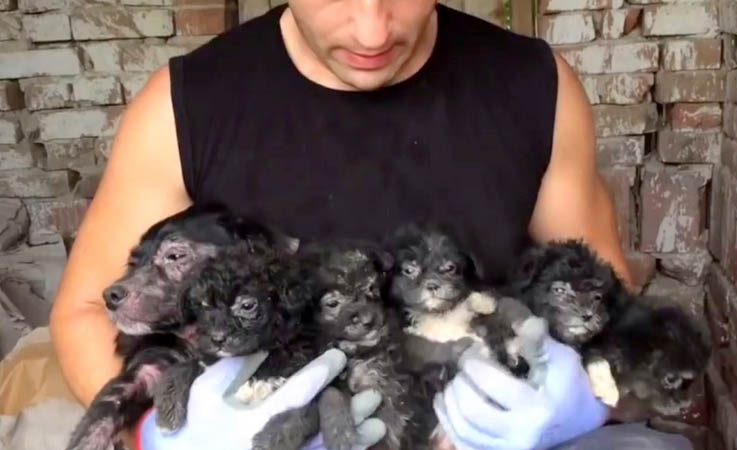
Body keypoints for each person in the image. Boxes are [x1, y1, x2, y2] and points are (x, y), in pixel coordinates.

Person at [49, 1, 694, 449]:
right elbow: (85, 311)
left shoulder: (536, 87)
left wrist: (582, 401)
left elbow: (614, 307)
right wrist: (168, 434)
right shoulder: (183, 106)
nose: (370, 28)